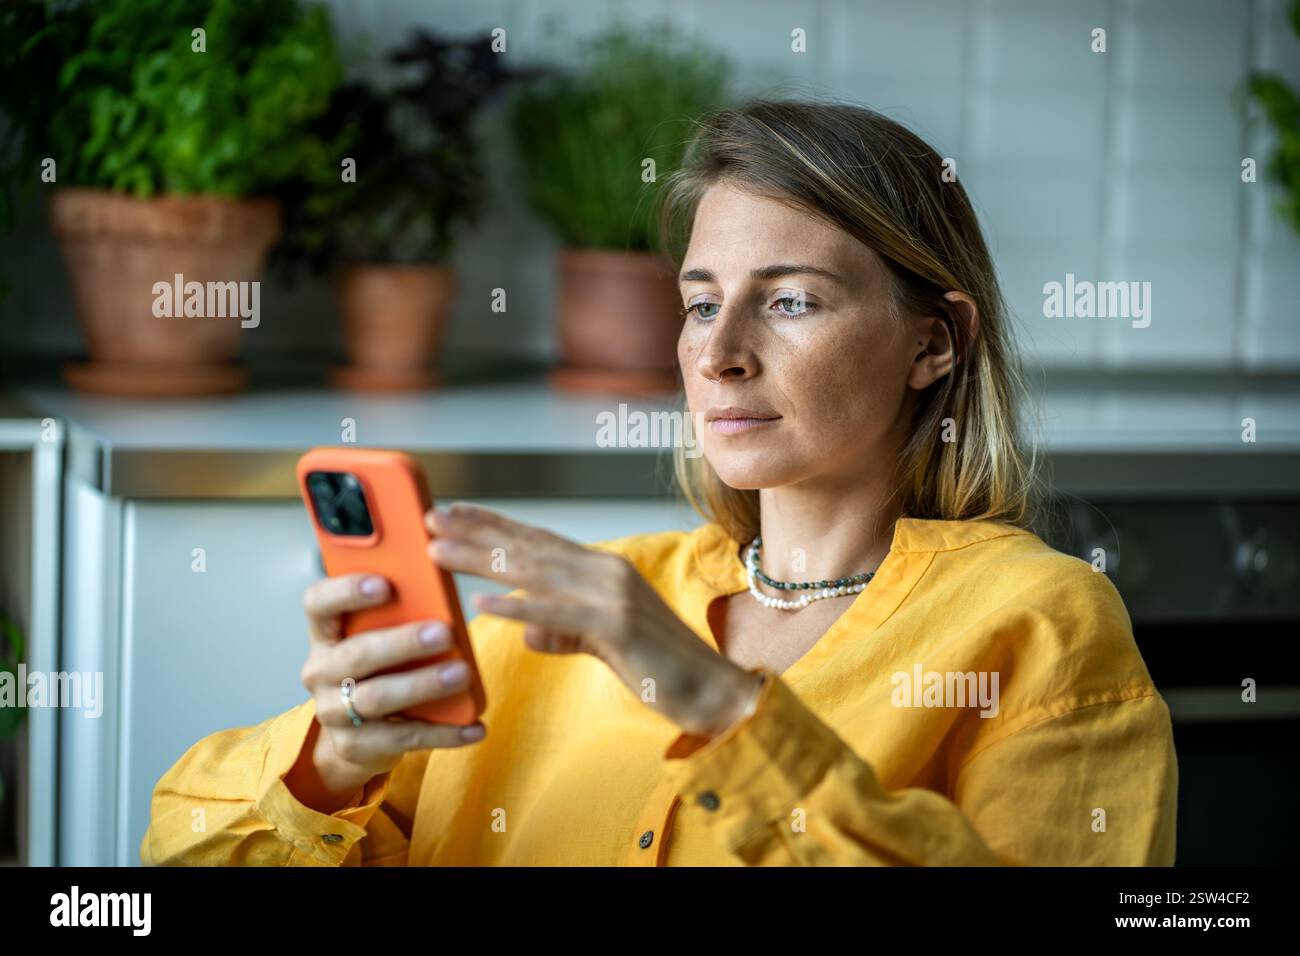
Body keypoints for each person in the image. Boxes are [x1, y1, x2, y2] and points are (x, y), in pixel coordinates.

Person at [141, 99, 1177, 866]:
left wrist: (721, 705)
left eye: (792, 303)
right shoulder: (563, 614)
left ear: (933, 342)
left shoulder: (1039, 623)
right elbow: (170, 855)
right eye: (698, 303)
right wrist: (330, 764)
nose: (718, 352)